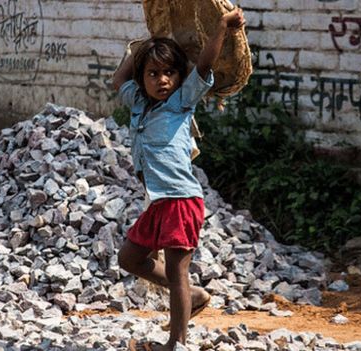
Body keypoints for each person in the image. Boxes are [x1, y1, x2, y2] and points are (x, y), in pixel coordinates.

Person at [112, 7, 247, 351]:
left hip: (182, 200)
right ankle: (194, 294)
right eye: (153, 74)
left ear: (178, 77)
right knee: (129, 259)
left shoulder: (181, 103)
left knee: (176, 272)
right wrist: (142, 46)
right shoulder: (138, 104)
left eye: (169, 73)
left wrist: (222, 26)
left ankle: (177, 342)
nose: (162, 81)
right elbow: (118, 82)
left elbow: (203, 66)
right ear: (142, 79)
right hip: (159, 201)